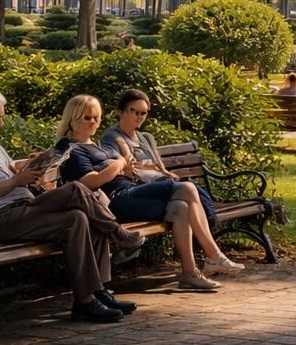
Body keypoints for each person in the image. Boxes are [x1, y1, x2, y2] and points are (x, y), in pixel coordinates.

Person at [0, 86, 145, 323]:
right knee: (76, 189)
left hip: (23, 208)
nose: (1, 123)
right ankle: (118, 235)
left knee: (78, 217)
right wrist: (16, 181)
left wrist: (37, 164)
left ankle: (93, 296)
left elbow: (12, 172)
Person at [57, 95, 243, 292]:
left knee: (180, 208)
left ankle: (189, 274)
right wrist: (119, 164)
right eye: (87, 117)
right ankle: (214, 256)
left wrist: (125, 168)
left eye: (96, 117)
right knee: (187, 188)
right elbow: (90, 182)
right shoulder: (72, 148)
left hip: (129, 192)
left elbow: (121, 171)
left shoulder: (95, 145)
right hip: (115, 200)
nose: (93, 122)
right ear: (72, 118)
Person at [100, 88, 218, 231]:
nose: (139, 116)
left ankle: (210, 222)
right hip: (140, 189)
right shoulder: (113, 135)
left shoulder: (145, 137)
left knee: (189, 187)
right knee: (188, 188)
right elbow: (124, 167)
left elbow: (157, 164)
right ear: (120, 111)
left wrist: (165, 172)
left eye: (143, 113)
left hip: (157, 183)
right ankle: (211, 223)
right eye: (134, 111)